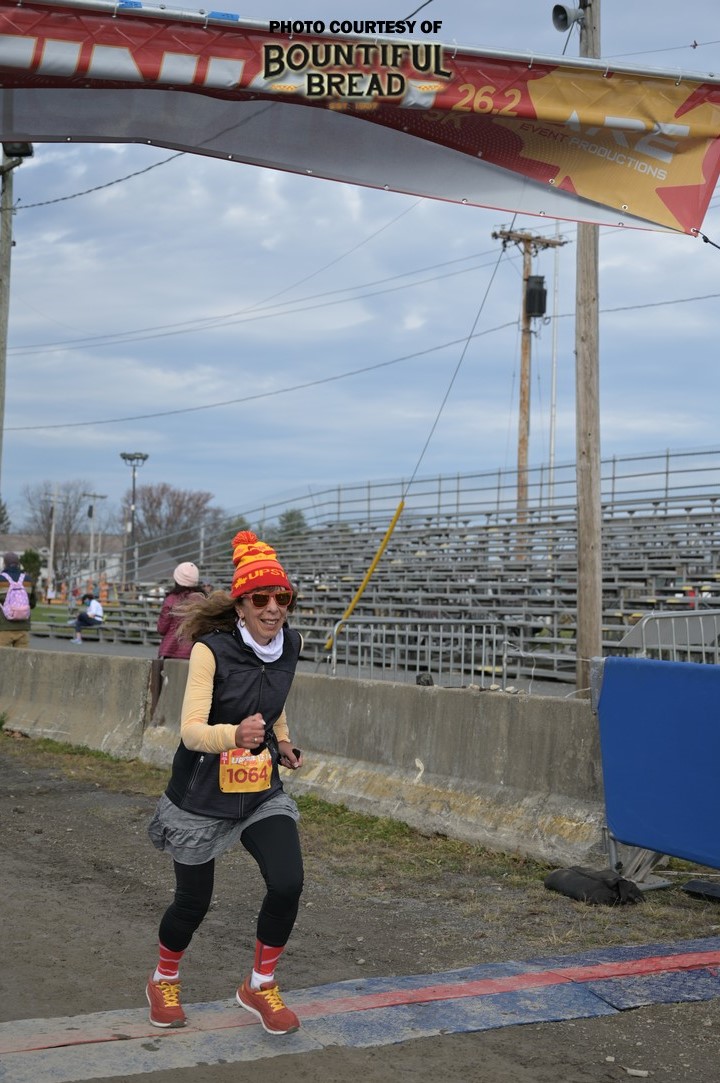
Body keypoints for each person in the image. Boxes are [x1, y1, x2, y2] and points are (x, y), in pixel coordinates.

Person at [146, 530, 304, 1035]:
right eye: (261, 599)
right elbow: (191, 731)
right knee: (193, 903)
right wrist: (234, 734)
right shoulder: (209, 651)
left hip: (259, 790)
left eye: (283, 598)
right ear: (240, 605)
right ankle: (163, 979)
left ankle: (260, 984)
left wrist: (282, 740)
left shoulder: (291, 644)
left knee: (287, 882)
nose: (273, 608)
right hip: (201, 794)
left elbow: (274, 701)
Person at [156, 562, 206, 660]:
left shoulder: (170, 600)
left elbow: (162, 629)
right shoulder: (202, 601)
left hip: (170, 651)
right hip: (195, 651)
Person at [0, 551, 36, 649]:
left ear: (4, 564)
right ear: (19, 564)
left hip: (3, 627)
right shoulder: (28, 580)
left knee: (3, 657)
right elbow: (32, 603)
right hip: (23, 627)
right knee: (22, 657)